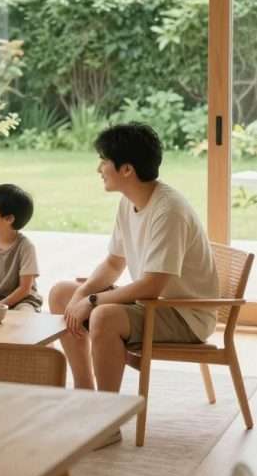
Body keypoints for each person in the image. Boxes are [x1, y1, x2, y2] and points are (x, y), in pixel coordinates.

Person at [49, 122, 219, 406]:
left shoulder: (169, 211)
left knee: (104, 316)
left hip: (184, 316)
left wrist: (92, 301)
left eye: (104, 161)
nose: (99, 169)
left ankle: (106, 417)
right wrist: (82, 294)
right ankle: (83, 391)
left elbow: (152, 286)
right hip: (150, 305)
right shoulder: (129, 201)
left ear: (127, 169)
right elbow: (114, 262)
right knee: (61, 293)